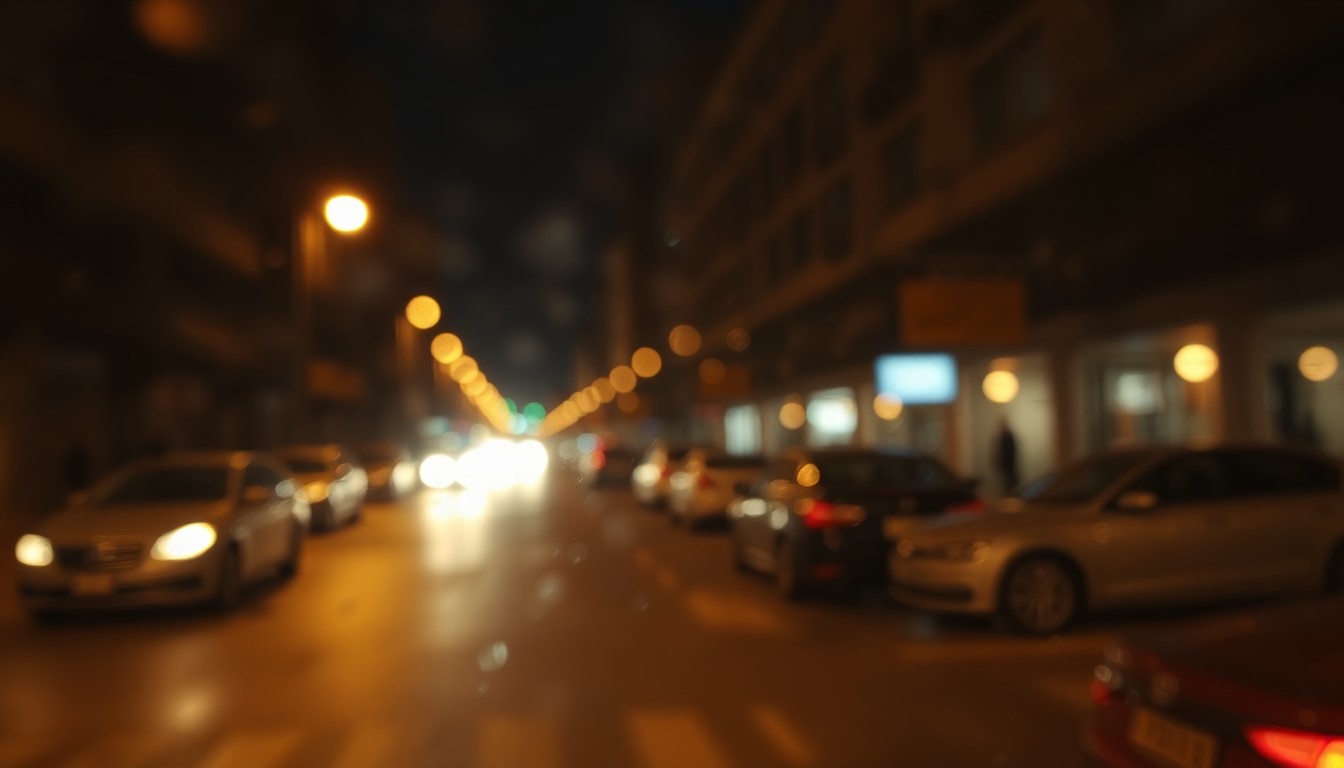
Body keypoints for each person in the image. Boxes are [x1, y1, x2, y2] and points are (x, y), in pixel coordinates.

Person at [994, 419, 1020, 494]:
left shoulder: (1008, 435)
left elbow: (1012, 450)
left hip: (1009, 463)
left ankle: (1010, 494)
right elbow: (1000, 450)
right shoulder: (1002, 436)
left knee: (1010, 481)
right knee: (1006, 481)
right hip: (1005, 463)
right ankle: (1008, 493)